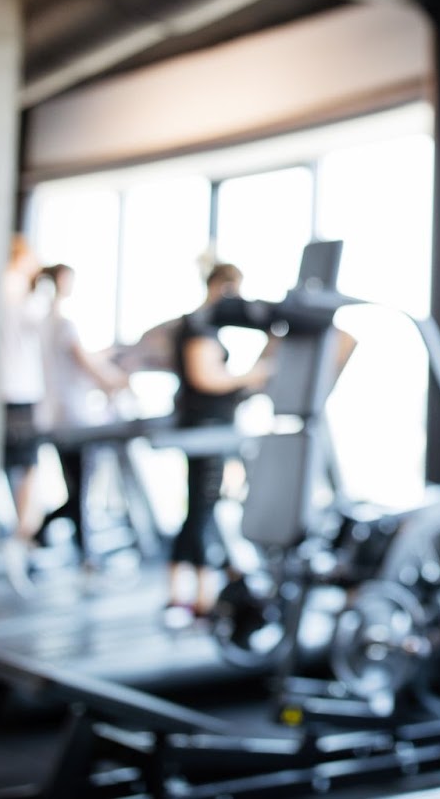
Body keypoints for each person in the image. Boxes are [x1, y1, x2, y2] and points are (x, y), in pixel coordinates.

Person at [166, 262, 275, 620]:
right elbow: (206, 377)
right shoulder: (200, 325)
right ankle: (200, 597)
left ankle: (185, 592)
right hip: (206, 425)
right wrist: (251, 375)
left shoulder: (205, 325)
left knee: (200, 507)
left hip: (211, 423)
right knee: (201, 508)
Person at [36, 263, 130, 570]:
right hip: (73, 415)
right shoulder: (63, 324)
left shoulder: (44, 323)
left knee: (76, 486)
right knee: (79, 488)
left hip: (54, 412)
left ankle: (75, 549)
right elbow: (85, 364)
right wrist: (115, 379)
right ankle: (45, 534)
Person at [0, 233, 49, 595]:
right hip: (18, 391)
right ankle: (20, 538)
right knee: (27, 468)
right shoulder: (20, 291)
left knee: (17, 469)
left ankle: (19, 539)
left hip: (1, 391)